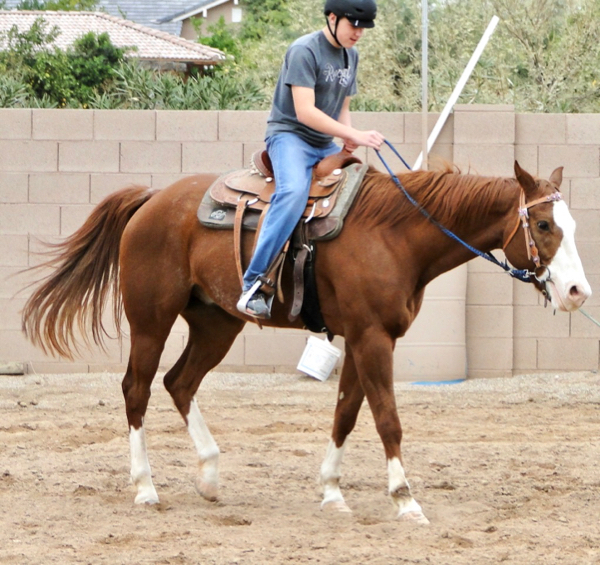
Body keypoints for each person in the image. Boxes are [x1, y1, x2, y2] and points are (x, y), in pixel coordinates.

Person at [236, 0, 385, 319]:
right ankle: (253, 284)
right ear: (332, 18)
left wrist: (347, 135)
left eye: (363, 28)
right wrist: (358, 136)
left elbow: (342, 107)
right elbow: (304, 112)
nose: (358, 33)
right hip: (289, 136)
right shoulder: (304, 50)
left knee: (365, 184)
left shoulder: (351, 55)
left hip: (323, 142)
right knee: (291, 195)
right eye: (353, 25)